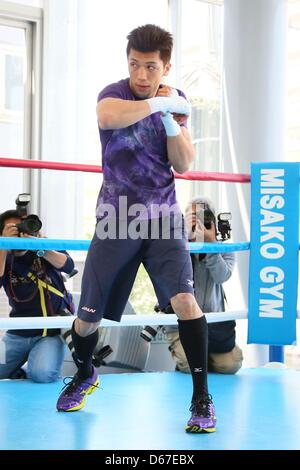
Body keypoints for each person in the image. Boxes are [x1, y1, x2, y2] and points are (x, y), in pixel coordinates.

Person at [56, 24, 216, 434]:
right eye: (134, 65)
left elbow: (183, 163)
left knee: (185, 300)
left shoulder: (173, 103)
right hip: (116, 217)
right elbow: (107, 117)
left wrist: (170, 119)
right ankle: (86, 371)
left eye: (150, 67)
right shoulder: (114, 94)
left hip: (163, 218)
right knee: (87, 318)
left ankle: (201, 399)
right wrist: (157, 106)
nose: (141, 75)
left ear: (165, 67)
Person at [164, 196, 243, 375]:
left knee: (231, 365)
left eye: (204, 215)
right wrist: (182, 237)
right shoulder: (173, 245)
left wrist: (211, 246)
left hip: (214, 323)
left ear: (213, 220)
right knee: (189, 365)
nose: (199, 220)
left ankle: (207, 354)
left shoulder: (223, 247)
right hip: (182, 322)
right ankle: (193, 354)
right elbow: (169, 274)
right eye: (194, 216)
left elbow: (222, 276)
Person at [0, 209, 75, 383]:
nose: (19, 231)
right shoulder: (4, 257)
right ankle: (19, 370)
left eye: (22, 225)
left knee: (42, 375)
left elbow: (68, 266)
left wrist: (38, 246)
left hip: (50, 332)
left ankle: (30, 368)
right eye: (13, 228)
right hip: (17, 332)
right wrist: (3, 244)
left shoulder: (44, 245)